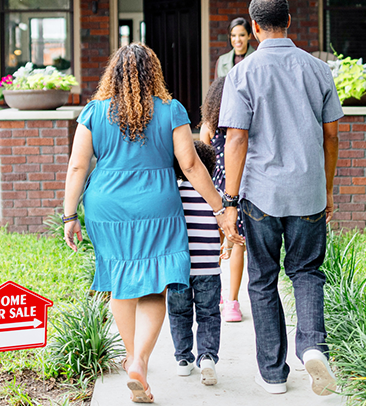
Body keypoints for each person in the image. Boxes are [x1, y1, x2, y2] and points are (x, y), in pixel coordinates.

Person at [62, 43, 238, 404]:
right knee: (156, 287)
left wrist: (69, 215)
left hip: (106, 206)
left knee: (120, 283)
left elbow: (78, 166)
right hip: (156, 204)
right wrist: (220, 207)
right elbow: (190, 165)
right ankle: (140, 359)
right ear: (153, 73)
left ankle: (133, 360)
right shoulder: (171, 110)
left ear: (113, 73)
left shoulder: (93, 112)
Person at [219, 0, 343, 397]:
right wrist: (325, 189)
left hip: (260, 196)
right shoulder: (319, 70)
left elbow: (236, 140)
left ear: (253, 28)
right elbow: (331, 135)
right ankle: (312, 347)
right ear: (289, 20)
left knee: (262, 279)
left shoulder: (242, 73)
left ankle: (273, 373)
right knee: (307, 273)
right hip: (308, 191)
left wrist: (229, 202)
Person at [166, 141, 223, 386]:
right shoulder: (215, 195)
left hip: (179, 268)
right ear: (211, 167)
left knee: (179, 314)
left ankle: (183, 359)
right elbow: (222, 230)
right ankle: (208, 357)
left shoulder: (172, 195)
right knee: (209, 314)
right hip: (209, 268)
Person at [198, 77, 246, 323]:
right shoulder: (241, 123)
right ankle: (232, 302)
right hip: (238, 188)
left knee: (214, 242)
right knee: (238, 242)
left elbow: (203, 162)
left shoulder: (208, 125)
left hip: (215, 191)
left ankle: (214, 296)